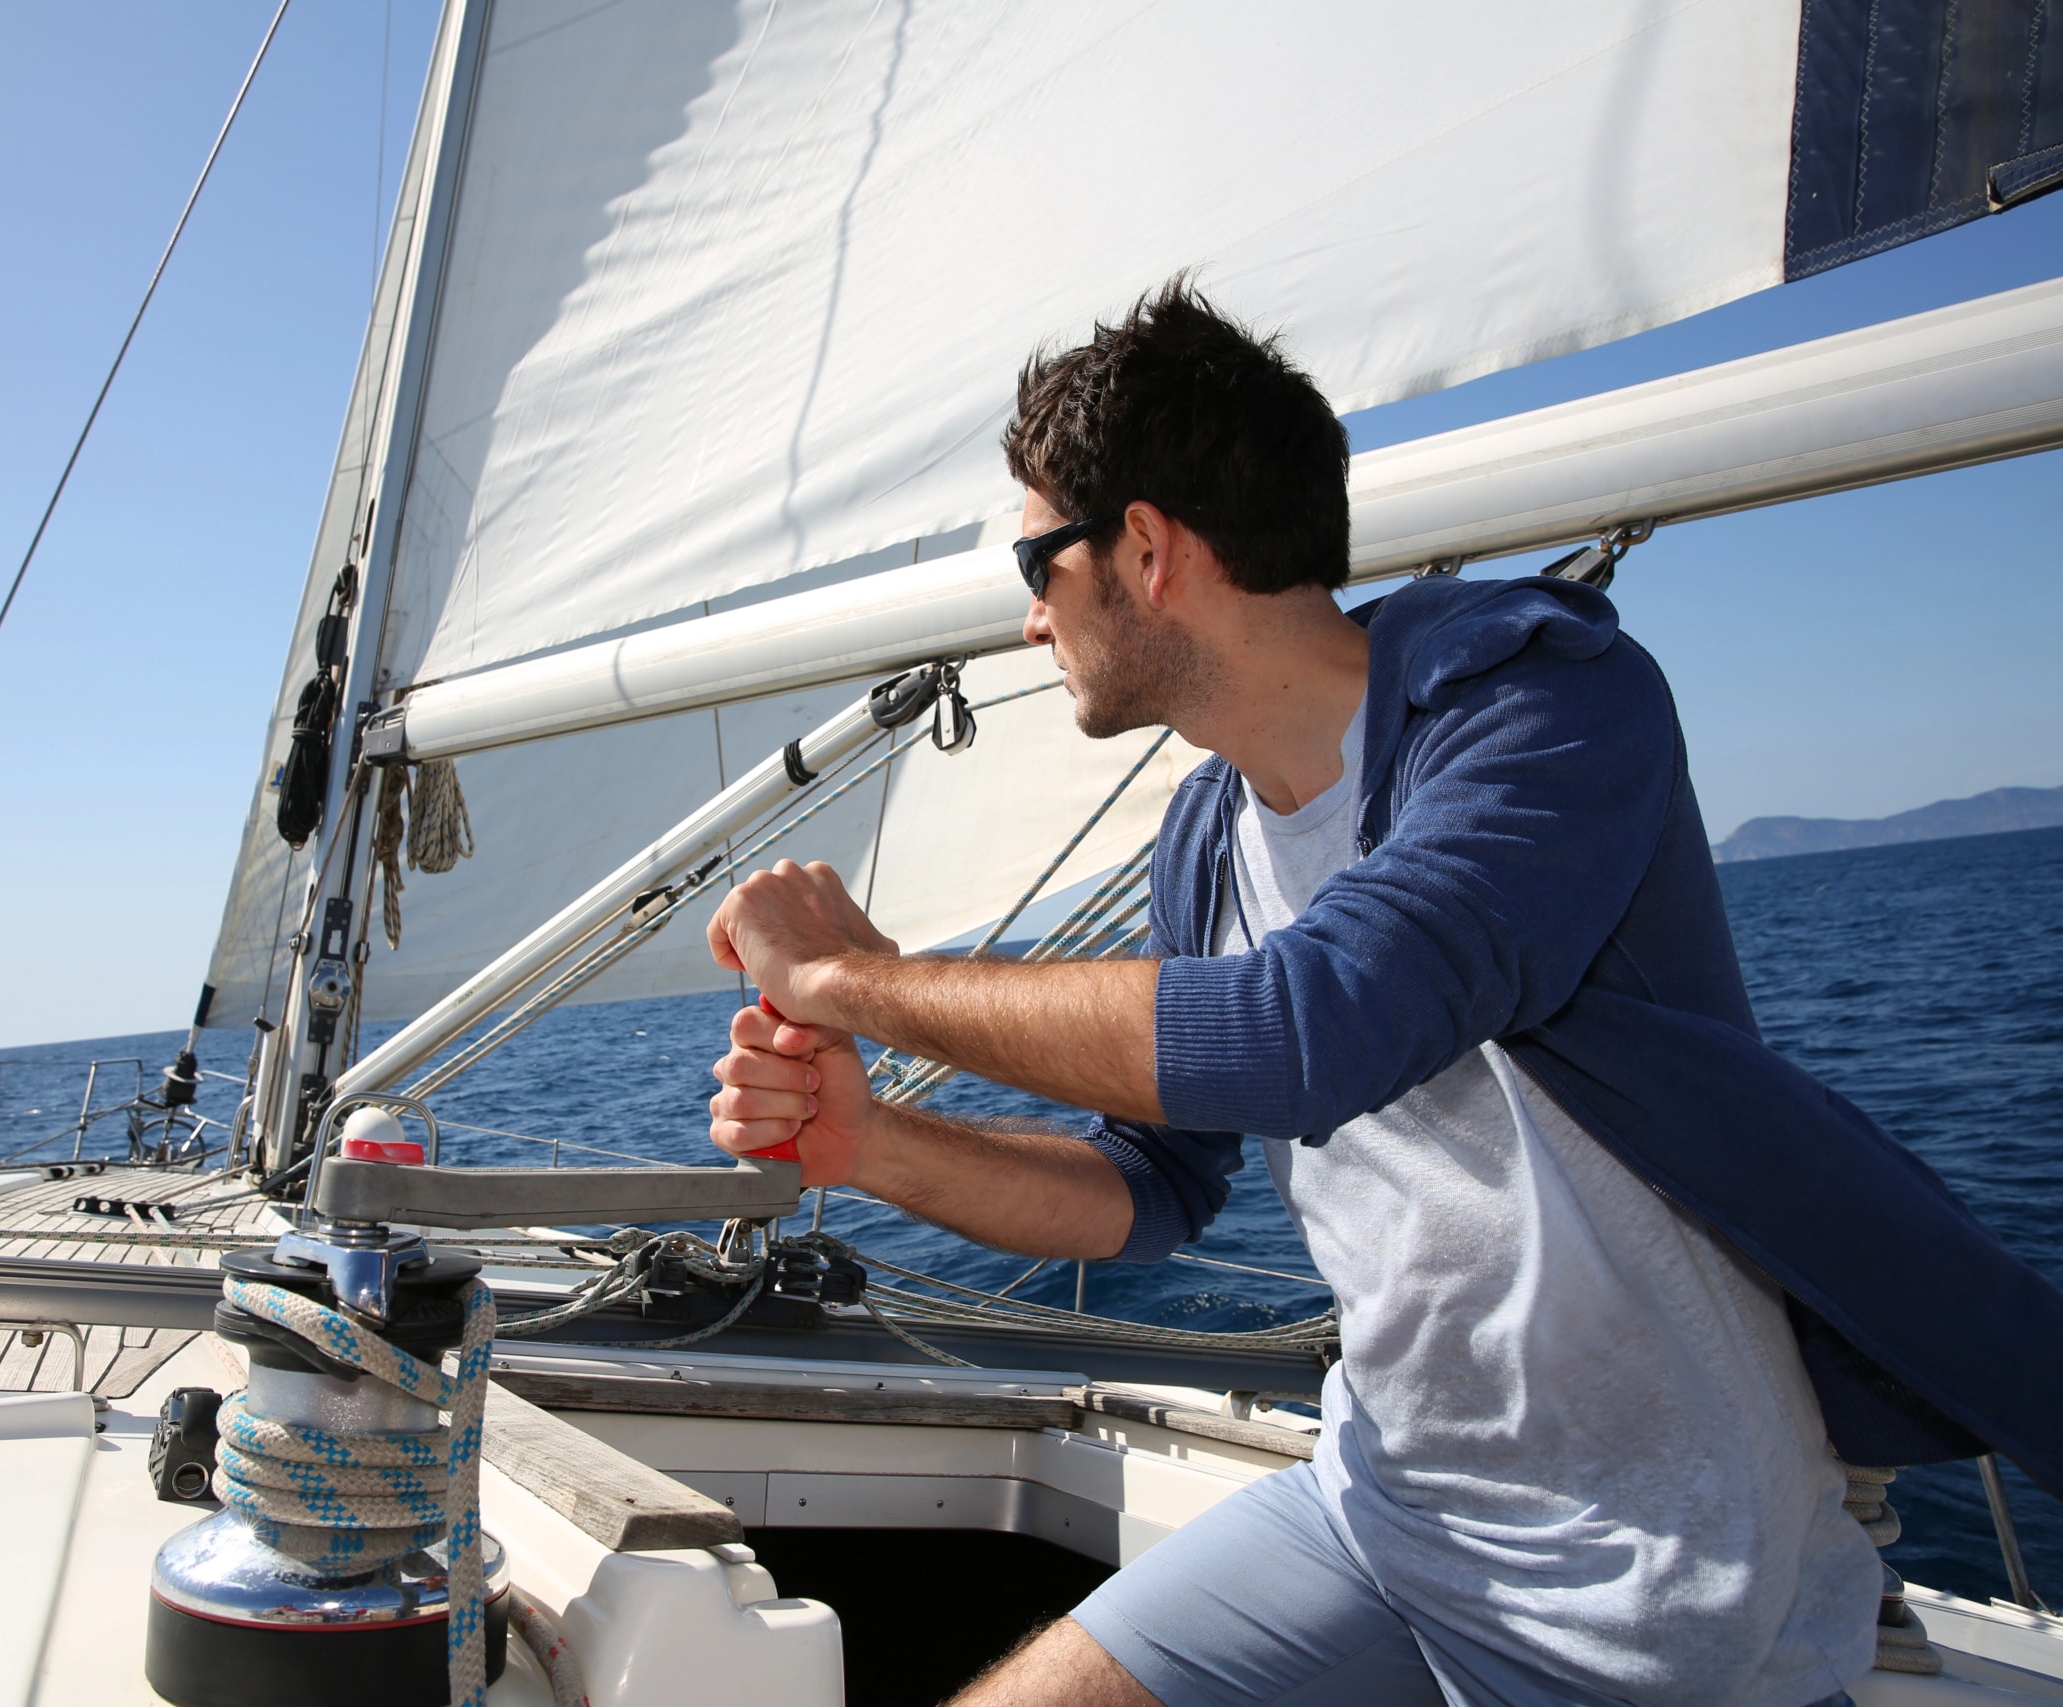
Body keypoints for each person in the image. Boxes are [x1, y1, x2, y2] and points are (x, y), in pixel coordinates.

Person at [701, 280, 2062, 1707]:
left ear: (1147, 550)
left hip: (1657, 1585)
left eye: (1038, 565)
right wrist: (871, 1149)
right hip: (1383, 1509)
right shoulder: (1206, 839)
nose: (1030, 621)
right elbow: (1152, 1191)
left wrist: (855, 981)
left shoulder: (1537, 706)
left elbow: (1316, 1027)